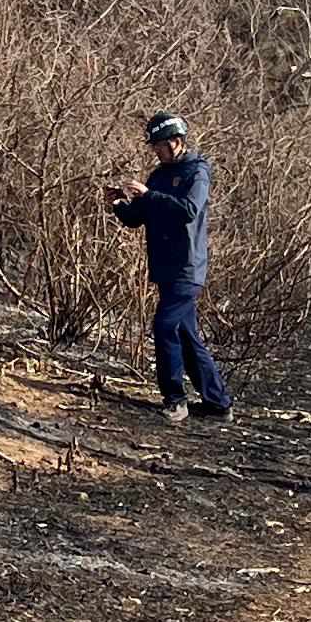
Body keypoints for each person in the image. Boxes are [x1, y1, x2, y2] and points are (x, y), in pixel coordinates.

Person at [105, 112, 232, 425]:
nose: (156, 151)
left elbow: (188, 210)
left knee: (164, 327)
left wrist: (150, 196)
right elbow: (137, 218)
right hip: (163, 267)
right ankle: (218, 403)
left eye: (159, 146)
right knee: (187, 336)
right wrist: (119, 204)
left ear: (176, 142)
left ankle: (175, 400)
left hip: (187, 267)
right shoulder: (158, 176)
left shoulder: (197, 172)